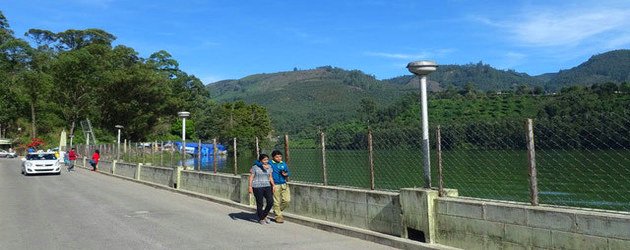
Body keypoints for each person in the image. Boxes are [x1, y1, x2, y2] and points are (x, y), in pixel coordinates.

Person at [248, 154, 275, 224]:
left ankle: (264, 215)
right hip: (257, 186)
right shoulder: (255, 167)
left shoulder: (269, 167)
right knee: (260, 203)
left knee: (270, 201)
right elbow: (251, 177)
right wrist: (250, 186)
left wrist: (273, 185)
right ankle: (261, 218)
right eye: (264, 160)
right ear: (260, 160)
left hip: (267, 186)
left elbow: (270, 177)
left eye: (267, 159)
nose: (266, 161)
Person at [270, 150, 291, 223]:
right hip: (275, 185)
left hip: (284, 184)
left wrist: (286, 174)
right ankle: (278, 216)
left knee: (287, 200)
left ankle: (277, 210)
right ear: (273, 157)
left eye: (280, 156)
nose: (279, 158)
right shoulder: (270, 163)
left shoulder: (283, 164)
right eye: (277, 157)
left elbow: (288, 172)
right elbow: (259, 162)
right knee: (276, 201)